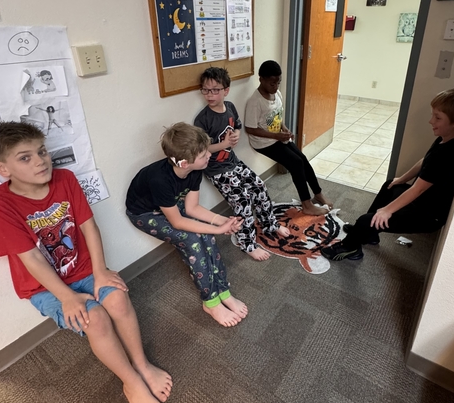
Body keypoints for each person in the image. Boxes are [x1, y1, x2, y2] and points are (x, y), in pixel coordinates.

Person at [0, 120, 171, 403]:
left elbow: (88, 227)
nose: (41, 160)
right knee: (93, 318)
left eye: (42, 151)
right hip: (44, 287)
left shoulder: (65, 178)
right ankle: (131, 383)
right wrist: (67, 297)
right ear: (3, 169)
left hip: (83, 269)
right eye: (25, 157)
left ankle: (142, 365)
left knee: (118, 300)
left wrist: (100, 272)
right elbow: (31, 259)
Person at [322, 87, 454, 261]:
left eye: (437, 117)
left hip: (428, 215)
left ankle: (351, 248)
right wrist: (401, 179)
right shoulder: (450, 139)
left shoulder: (448, 154)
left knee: (364, 221)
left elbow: (418, 189)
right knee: (390, 184)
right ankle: (370, 234)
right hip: (423, 201)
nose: (431, 121)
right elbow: (424, 162)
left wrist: (387, 211)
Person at [126, 122, 247, 328]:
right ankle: (210, 302)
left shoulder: (195, 169)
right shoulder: (159, 179)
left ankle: (223, 291)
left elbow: (192, 209)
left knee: (205, 234)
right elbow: (178, 222)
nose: (209, 155)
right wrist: (219, 229)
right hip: (144, 213)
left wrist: (222, 221)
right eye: (203, 155)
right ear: (184, 163)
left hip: (170, 205)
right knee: (192, 239)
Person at [193, 67, 289, 262]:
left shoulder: (229, 106)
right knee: (243, 200)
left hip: (233, 162)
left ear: (226, 90)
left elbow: (236, 125)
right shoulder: (202, 119)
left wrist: (236, 134)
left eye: (215, 90)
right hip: (217, 169)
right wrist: (225, 144)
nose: (210, 94)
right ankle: (248, 243)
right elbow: (200, 151)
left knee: (259, 186)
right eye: (206, 90)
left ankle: (270, 223)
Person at [245, 60, 331, 216]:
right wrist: (276, 135)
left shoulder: (277, 93)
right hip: (263, 142)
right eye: (272, 83)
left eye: (278, 82)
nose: (276, 86)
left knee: (302, 159)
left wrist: (284, 129)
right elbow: (250, 128)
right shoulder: (255, 101)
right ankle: (306, 204)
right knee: (296, 163)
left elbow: (276, 115)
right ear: (261, 79)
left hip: (277, 137)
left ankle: (318, 194)